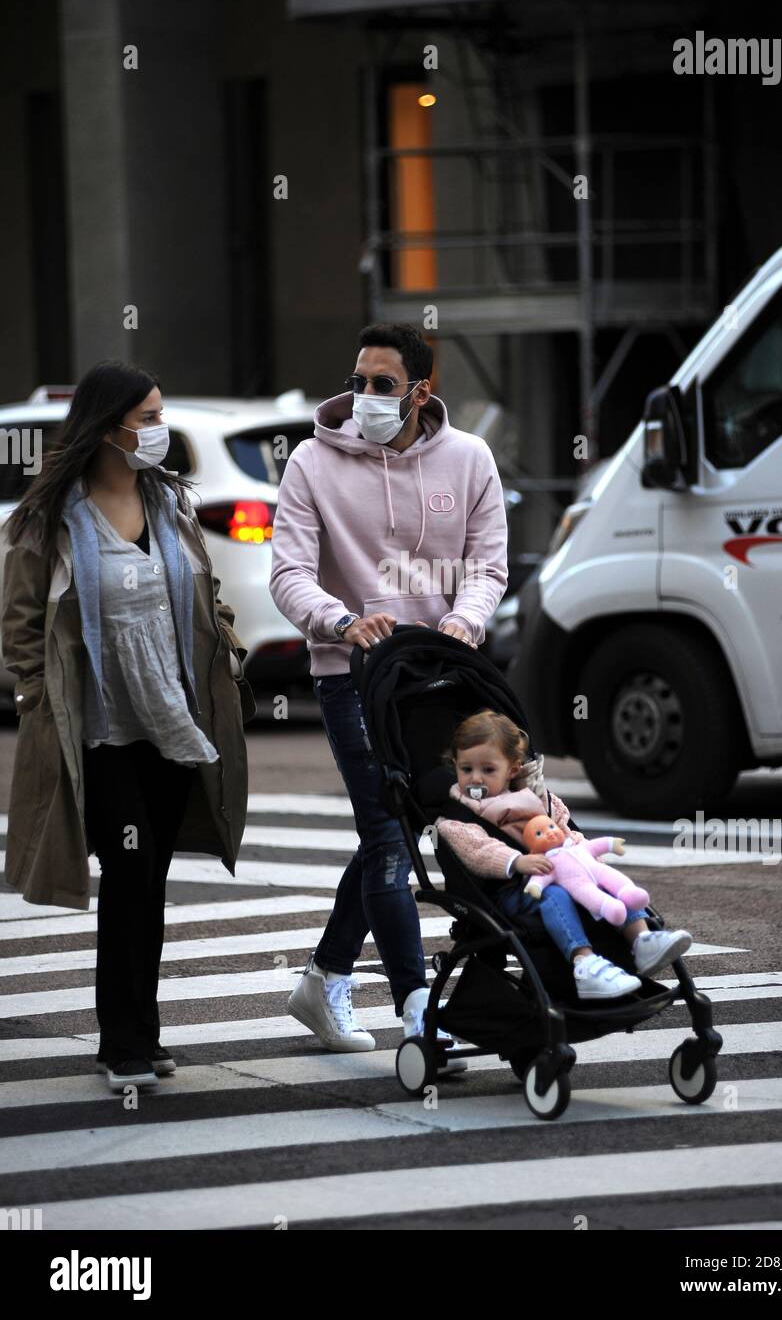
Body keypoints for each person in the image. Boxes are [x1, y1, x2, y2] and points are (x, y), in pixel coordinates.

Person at [1, 361, 253, 1092]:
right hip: (101, 729)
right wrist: (41, 698)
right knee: (130, 870)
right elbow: (21, 624)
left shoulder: (169, 503)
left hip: (174, 720)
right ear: (108, 426)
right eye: (146, 417)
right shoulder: (49, 518)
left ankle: (144, 1032)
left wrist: (225, 652)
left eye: (159, 414)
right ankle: (122, 1043)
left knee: (152, 879)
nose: (157, 429)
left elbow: (207, 595)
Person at [270, 323, 508, 1053]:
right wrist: (340, 622)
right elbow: (287, 574)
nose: (363, 397)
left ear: (419, 392)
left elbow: (488, 567)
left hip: (442, 678)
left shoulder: (469, 459)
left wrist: (461, 628)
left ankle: (322, 976)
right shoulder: (311, 462)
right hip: (352, 678)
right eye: (357, 380)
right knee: (386, 835)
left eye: (381, 384)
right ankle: (415, 1008)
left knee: (409, 828)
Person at [436, 710, 693, 999]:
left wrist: (585, 859)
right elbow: (478, 851)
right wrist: (516, 861)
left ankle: (642, 939)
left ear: (512, 769)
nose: (476, 778)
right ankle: (584, 963)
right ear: (455, 766)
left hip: (564, 872)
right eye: (466, 769)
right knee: (555, 896)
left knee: (609, 881)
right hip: (515, 890)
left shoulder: (536, 799)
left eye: (488, 770)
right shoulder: (458, 818)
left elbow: (565, 832)